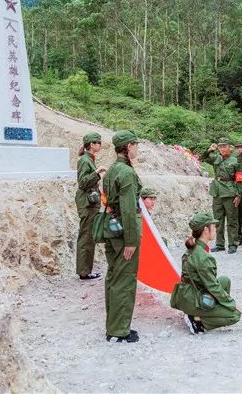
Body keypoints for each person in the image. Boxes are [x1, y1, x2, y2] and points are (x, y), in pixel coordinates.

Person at [170, 212, 242, 334]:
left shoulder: (194, 247)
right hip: (193, 299)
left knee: (225, 280)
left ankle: (207, 313)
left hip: (188, 294)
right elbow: (212, 286)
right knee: (234, 315)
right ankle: (197, 321)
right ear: (205, 230)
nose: (215, 229)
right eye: (213, 227)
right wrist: (231, 304)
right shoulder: (203, 256)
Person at [102, 130, 142, 343]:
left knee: (113, 276)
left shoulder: (112, 170)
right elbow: (128, 209)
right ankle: (118, 330)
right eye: (135, 144)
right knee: (124, 279)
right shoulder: (126, 173)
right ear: (128, 147)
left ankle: (114, 326)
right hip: (124, 232)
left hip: (112, 228)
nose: (137, 148)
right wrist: (131, 241)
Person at [200, 138, 242, 254]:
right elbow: (202, 158)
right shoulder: (216, 157)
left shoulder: (236, 160)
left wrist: (239, 195)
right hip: (217, 192)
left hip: (230, 192)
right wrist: (209, 150)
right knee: (217, 220)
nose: (223, 149)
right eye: (221, 147)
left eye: (225, 146)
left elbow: (240, 179)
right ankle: (219, 244)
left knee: (232, 219)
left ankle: (233, 244)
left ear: (230, 147)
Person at [75, 132, 107, 280]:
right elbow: (82, 183)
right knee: (86, 237)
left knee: (88, 236)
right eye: (98, 142)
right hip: (87, 203)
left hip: (90, 202)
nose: (100, 145)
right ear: (91, 144)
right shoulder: (84, 160)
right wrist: (96, 172)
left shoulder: (89, 159)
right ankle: (84, 272)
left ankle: (85, 270)